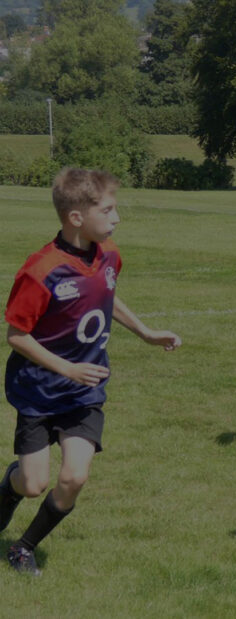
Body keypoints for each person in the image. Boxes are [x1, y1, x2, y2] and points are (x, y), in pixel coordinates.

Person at [1, 168, 181, 575]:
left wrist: (148, 334)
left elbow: (106, 297)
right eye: (108, 209)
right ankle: (9, 490)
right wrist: (67, 367)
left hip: (85, 392)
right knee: (33, 485)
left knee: (75, 476)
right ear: (76, 217)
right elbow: (17, 335)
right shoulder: (42, 269)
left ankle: (23, 548)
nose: (116, 217)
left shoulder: (110, 254)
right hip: (39, 390)